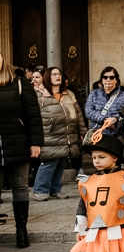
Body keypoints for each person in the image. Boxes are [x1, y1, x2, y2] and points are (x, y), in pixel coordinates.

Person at [0, 52, 43, 246]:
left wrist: (35, 143)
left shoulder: (18, 81)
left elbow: (33, 115)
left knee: (20, 186)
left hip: (18, 141)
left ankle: (21, 231)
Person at [32, 66, 86, 202]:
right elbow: (33, 116)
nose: (58, 76)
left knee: (62, 161)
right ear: (47, 77)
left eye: (59, 74)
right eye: (54, 74)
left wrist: (82, 131)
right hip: (50, 134)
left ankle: (55, 189)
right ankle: (40, 190)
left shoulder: (68, 94)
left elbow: (78, 114)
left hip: (68, 133)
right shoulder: (39, 94)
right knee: (49, 162)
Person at [85, 67, 124, 138]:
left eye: (111, 77)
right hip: (98, 134)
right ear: (102, 80)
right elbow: (88, 111)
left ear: (116, 80)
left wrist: (115, 119)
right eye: (105, 77)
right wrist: (103, 120)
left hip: (117, 135)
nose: (108, 80)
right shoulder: (94, 94)